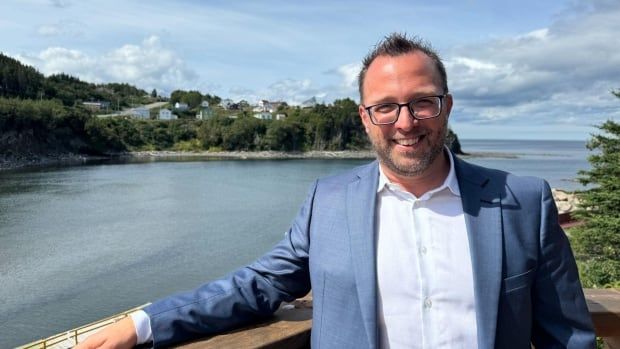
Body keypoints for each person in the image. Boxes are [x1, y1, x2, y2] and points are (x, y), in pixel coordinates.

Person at [76, 33, 595, 349]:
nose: (406, 122)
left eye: (422, 102)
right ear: (365, 119)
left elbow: (568, 337)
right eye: (386, 106)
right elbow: (255, 286)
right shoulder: (329, 201)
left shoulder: (524, 201)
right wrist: (144, 323)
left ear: (448, 106)